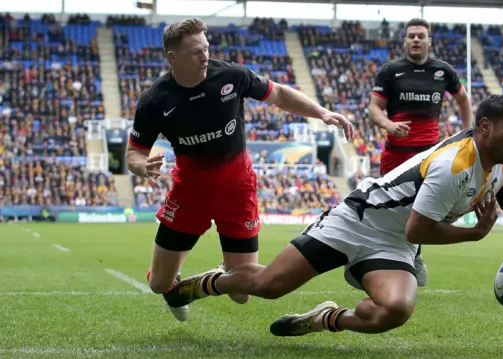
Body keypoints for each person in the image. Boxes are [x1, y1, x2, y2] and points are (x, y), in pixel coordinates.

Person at [165, 95, 503, 335]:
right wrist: (473, 234)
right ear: (485, 127)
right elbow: (418, 227)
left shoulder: (501, 167)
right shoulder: (454, 166)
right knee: (268, 286)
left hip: (395, 245)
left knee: (394, 310)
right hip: (357, 221)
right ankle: (206, 283)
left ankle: (325, 318)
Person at [126, 18, 355, 322]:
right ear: (173, 57)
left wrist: (322, 113)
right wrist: (143, 166)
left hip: (237, 190)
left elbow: (280, 94)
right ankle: (177, 279)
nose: (205, 56)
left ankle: (204, 282)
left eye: (206, 48)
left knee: (242, 292)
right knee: (158, 284)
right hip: (189, 194)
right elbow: (134, 152)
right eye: (196, 51)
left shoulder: (231, 75)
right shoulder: (155, 101)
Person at [368, 18, 473, 287]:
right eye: (411, 36)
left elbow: (462, 99)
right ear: (405, 41)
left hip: (428, 157)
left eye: (420, 36)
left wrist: (468, 132)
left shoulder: (443, 71)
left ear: (429, 41)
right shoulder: (391, 71)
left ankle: (413, 255)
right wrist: (389, 124)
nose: (416, 40)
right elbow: (374, 109)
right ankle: (381, 255)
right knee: (388, 209)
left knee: (419, 208)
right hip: (395, 154)